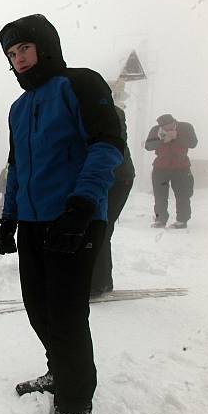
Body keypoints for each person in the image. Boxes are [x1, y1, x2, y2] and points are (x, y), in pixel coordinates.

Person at [0, 14, 124, 414]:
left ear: (45, 46)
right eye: (11, 55)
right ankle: (59, 371)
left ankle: (75, 409)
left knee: (67, 314)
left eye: (24, 49)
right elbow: (18, 168)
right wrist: (9, 218)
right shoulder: (18, 108)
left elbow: (107, 144)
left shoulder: (81, 84)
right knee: (39, 306)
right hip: (32, 220)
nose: (18, 60)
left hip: (75, 217)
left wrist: (82, 205)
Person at [90, 104, 135, 295]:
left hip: (117, 179)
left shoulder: (112, 113)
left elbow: (113, 145)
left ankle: (100, 283)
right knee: (95, 228)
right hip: (101, 178)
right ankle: (97, 281)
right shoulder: (79, 111)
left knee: (101, 228)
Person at [144, 113, 198, 228]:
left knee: (182, 195)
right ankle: (160, 219)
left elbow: (193, 143)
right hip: (160, 168)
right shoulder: (155, 130)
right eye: (165, 128)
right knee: (160, 196)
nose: (168, 129)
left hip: (181, 167)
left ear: (174, 122)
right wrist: (163, 139)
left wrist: (176, 137)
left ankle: (182, 221)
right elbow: (148, 146)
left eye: (170, 126)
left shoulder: (185, 127)